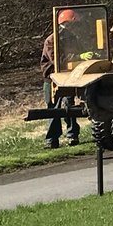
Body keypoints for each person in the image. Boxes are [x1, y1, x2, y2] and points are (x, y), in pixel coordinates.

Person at [40, 11, 80, 149]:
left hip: (68, 77)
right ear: (65, 23)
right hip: (52, 79)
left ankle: (72, 135)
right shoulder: (51, 40)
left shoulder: (73, 38)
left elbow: (77, 53)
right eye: (72, 23)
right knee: (53, 108)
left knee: (69, 106)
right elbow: (56, 60)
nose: (74, 26)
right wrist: (76, 57)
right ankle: (52, 140)